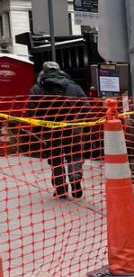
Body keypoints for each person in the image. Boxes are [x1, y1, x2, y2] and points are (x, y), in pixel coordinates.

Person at [30, 61, 87, 199]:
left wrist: (39, 126)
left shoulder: (38, 88)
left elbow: (31, 109)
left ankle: (61, 188)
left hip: (50, 130)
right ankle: (75, 177)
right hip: (72, 127)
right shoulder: (73, 86)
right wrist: (82, 121)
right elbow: (86, 106)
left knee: (55, 159)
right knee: (75, 155)